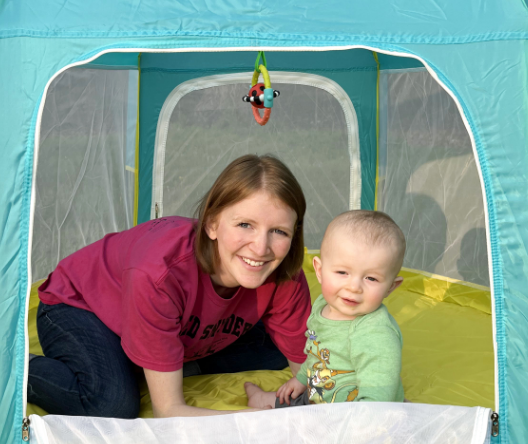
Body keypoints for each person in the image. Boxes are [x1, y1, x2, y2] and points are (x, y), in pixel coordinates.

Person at [28, 154, 312, 418]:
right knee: (112, 404)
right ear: (212, 224)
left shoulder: (283, 272)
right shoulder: (158, 273)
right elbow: (169, 411)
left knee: (280, 352)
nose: (260, 248)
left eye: (278, 231)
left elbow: (312, 381)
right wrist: (264, 420)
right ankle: (20, 367)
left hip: (174, 326)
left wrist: (301, 401)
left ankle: (156, 361)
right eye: (244, 225)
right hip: (79, 305)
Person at [245, 210, 406, 408]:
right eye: (342, 272)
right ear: (320, 271)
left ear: (391, 286)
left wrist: (363, 426)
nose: (354, 287)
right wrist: (301, 379)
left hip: (355, 413)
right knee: (284, 401)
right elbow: (315, 353)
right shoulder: (322, 305)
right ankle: (262, 399)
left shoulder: (376, 334)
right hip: (318, 397)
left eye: (371, 278)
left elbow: (379, 391)